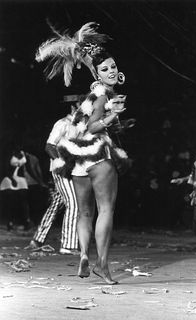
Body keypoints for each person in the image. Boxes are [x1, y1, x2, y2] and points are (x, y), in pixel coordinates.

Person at [36, 22, 129, 284]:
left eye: (113, 66)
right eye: (105, 69)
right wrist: (112, 117)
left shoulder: (92, 95)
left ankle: (84, 257)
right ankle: (103, 266)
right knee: (107, 209)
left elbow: (79, 126)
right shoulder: (101, 96)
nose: (111, 71)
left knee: (85, 212)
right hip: (97, 157)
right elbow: (92, 126)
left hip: (78, 161)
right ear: (97, 74)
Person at [26, 96, 81, 254]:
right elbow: (49, 146)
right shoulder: (62, 123)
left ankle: (37, 239)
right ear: (72, 107)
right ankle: (68, 245)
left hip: (74, 169)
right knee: (74, 202)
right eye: (80, 104)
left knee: (57, 203)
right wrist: (61, 163)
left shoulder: (81, 125)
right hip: (62, 169)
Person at [0, 150, 32, 231]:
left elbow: (28, 168)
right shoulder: (9, 154)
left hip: (21, 180)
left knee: (23, 202)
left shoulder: (24, 154)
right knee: (10, 202)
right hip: (9, 180)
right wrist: (12, 179)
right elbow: (5, 169)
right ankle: (10, 223)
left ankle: (26, 222)